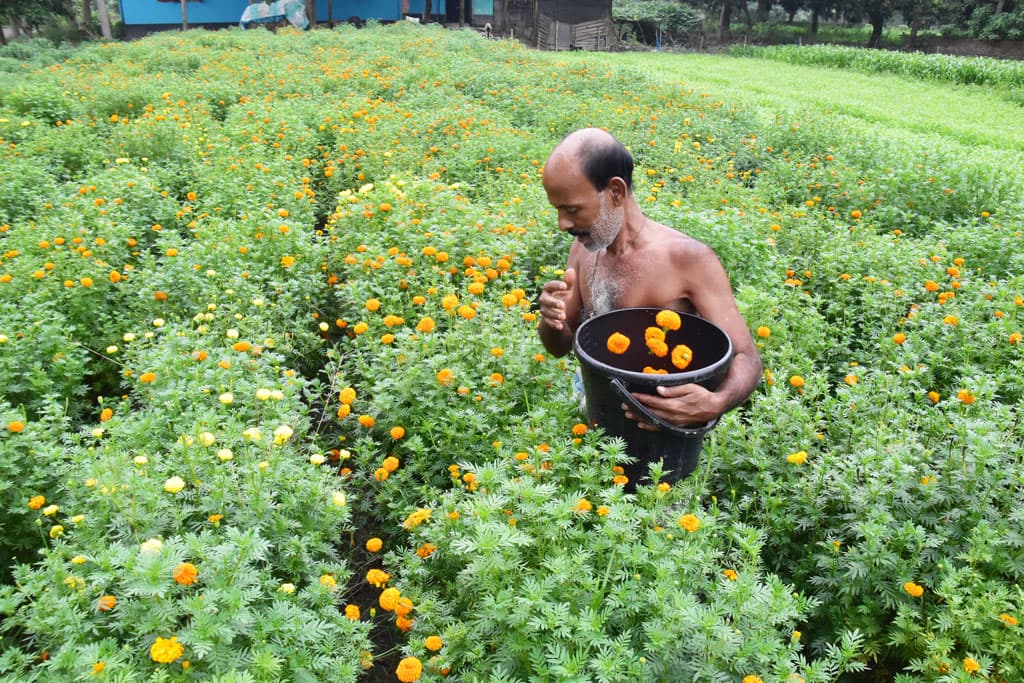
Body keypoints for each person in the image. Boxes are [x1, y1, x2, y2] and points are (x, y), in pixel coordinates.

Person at [538, 128, 762, 431]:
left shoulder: (686, 259)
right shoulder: (583, 247)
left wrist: (715, 402)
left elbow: (747, 357)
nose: (562, 223)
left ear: (615, 192)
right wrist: (551, 321)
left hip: (660, 425)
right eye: (558, 210)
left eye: (572, 209)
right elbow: (561, 345)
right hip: (594, 405)